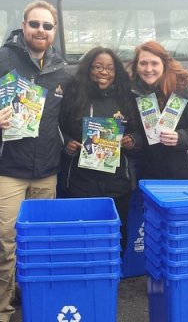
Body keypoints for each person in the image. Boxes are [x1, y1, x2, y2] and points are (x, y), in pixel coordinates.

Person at [0, 0, 70, 322]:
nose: (41, 31)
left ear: (54, 31)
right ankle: (1, 313)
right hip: (7, 171)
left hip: (46, 171)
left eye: (47, 26)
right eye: (35, 24)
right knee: (5, 246)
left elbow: (74, 115)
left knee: (37, 245)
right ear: (24, 26)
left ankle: (36, 307)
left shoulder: (60, 69)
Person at [59, 47, 142, 252]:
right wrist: (67, 144)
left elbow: (141, 133)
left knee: (115, 234)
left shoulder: (127, 98)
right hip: (80, 181)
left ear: (117, 72)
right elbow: (58, 127)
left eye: (109, 68)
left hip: (117, 182)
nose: (104, 72)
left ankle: (113, 276)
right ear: (88, 69)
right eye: (97, 67)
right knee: (83, 234)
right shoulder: (73, 95)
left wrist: (132, 140)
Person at [128, 41, 188, 180]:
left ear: (164, 64)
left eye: (154, 63)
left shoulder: (184, 91)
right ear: (136, 65)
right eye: (143, 63)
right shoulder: (136, 93)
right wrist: (133, 140)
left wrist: (181, 137)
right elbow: (140, 133)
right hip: (153, 174)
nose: (148, 69)